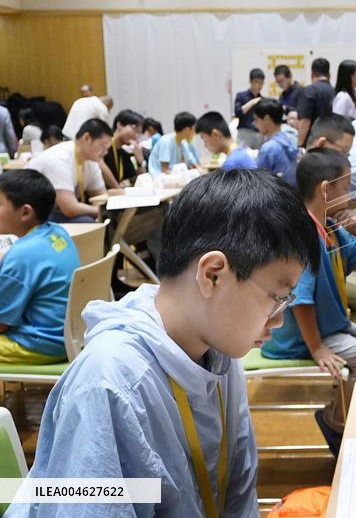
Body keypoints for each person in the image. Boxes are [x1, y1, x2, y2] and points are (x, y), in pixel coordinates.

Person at [10, 169, 319, 517]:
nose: (278, 320)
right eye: (277, 298)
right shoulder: (110, 384)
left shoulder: (219, 348)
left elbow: (238, 489)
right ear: (213, 274)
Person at [262, 149, 356, 427]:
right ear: (326, 189)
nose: (350, 193)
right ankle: (339, 423)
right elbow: (300, 301)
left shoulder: (327, 227)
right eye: (346, 186)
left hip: (329, 327)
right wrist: (316, 349)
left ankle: (345, 414)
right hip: (301, 338)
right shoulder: (303, 235)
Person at [0, 170, 80, 363]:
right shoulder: (57, 232)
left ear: (26, 212)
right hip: (69, 335)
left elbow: (2, 324)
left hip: (38, 343)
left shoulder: (21, 256)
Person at [27, 118, 111, 223]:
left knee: (105, 220)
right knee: (86, 222)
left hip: (56, 211)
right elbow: (69, 209)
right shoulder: (59, 158)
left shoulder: (91, 161)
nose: (106, 152)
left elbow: (101, 198)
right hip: (34, 214)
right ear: (87, 138)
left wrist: (102, 211)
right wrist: (99, 211)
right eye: (103, 147)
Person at [253, 98, 298, 186]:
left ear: (266, 119)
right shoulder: (289, 138)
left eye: (256, 119)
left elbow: (257, 182)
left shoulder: (268, 148)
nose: (255, 124)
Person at [296, 58, 337, 149]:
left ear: (312, 74)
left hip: (314, 144)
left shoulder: (309, 91)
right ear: (329, 75)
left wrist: (299, 145)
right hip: (333, 143)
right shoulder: (336, 92)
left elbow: (305, 120)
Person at [101, 109, 146, 189]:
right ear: (119, 125)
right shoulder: (102, 148)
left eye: (139, 133)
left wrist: (139, 160)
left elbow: (140, 183)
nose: (136, 136)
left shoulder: (123, 154)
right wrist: (119, 188)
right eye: (134, 129)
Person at [234, 68, 266, 150]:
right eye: (256, 82)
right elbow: (238, 113)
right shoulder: (241, 96)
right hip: (245, 133)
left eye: (261, 83)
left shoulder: (263, 100)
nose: (259, 86)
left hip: (259, 134)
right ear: (250, 81)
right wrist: (252, 102)